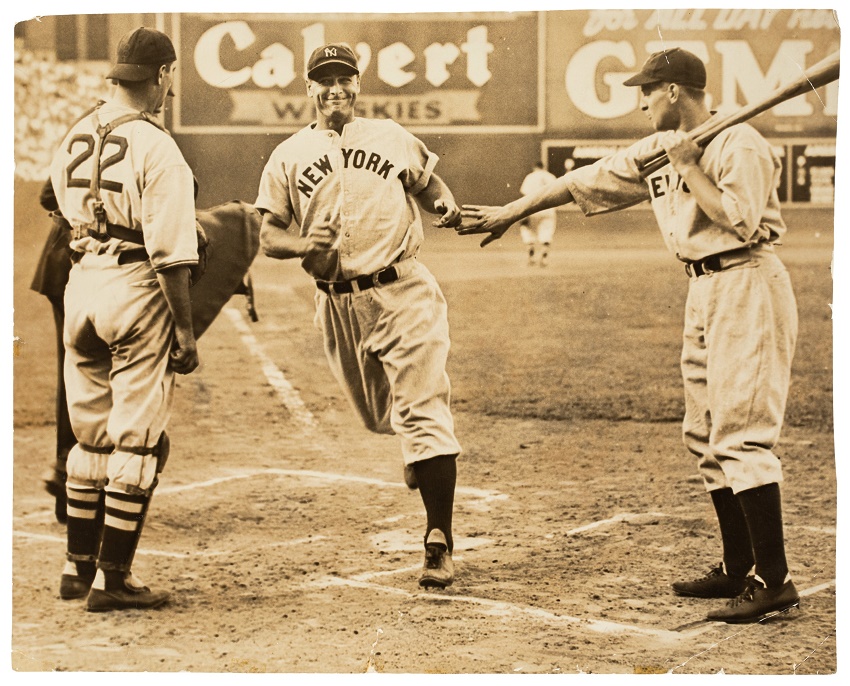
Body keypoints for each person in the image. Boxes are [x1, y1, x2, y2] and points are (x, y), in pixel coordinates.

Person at [458, 47, 800, 623]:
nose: (640, 102)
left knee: (742, 433)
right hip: (703, 288)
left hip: (746, 278)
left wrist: (690, 165)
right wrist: (511, 212)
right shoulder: (656, 149)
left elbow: (740, 219)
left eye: (647, 90)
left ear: (673, 91)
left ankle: (775, 579)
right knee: (706, 432)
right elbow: (581, 183)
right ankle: (738, 567)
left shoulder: (738, 143)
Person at [255, 43, 463, 588]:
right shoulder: (288, 155)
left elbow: (427, 184)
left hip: (403, 290)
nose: (335, 89)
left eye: (344, 79)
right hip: (337, 304)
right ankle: (416, 447)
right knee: (378, 416)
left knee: (423, 410)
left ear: (356, 85)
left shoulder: (391, 137)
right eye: (324, 80)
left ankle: (438, 540)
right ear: (309, 89)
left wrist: (442, 202)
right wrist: (302, 244)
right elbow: (268, 234)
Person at [48, 26, 200, 612]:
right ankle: (113, 578)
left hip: (82, 284)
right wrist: (184, 331)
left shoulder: (74, 135)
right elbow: (170, 255)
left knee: (89, 435)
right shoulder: (158, 147)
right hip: (135, 286)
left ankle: (76, 565)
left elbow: (62, 213)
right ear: (161, 76)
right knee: (135, 441)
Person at [30, 181, 76, 524]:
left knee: (73, 372)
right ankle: (70, 473)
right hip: (79, 265)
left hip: (62, 262)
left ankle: (65, 470)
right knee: (91, 373)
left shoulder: (82, 130)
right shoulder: (148, 137)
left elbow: (49, 195)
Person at [517, 162, 558, 266]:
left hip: (533, 208)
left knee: (527, 230)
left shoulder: (530, 177)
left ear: (534, 168)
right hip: (548, 209)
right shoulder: (551, 176)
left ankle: (531, 255)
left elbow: (525, 195)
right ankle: (544, 258)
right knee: (546, 233)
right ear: (544, 167)